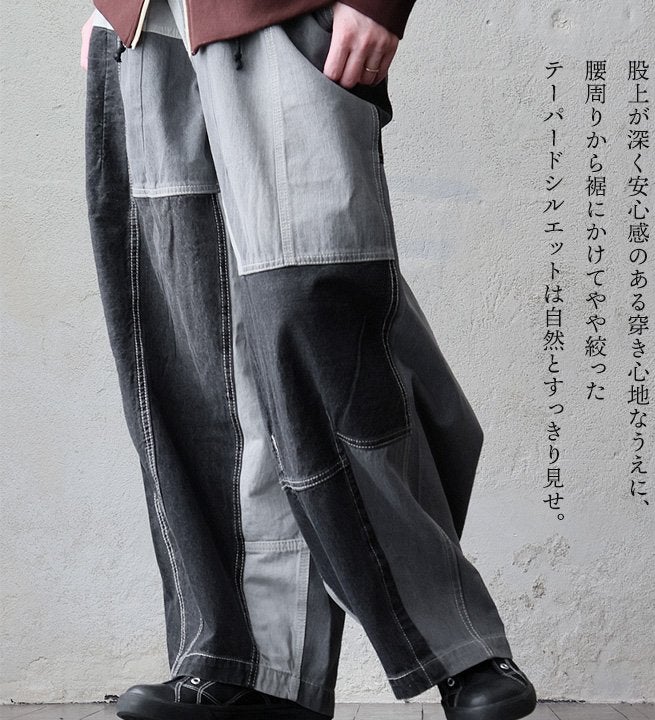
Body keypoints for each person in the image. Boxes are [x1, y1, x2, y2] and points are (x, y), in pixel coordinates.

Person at [82, 2, 538, 719]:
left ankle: (459, 644)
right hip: (144, 31)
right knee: (199, 365)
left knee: (326, 327)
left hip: (286, 18)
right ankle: (257, 669)